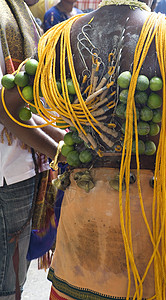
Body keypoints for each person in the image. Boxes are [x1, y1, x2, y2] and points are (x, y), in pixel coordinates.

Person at [1, 0, 166, 299]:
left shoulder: (61, 39)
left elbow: (9, 105)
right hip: (153, 215)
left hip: (83, 217)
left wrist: (61, 151)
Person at [0, 1, 67, 299]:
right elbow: (7, 109)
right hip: (8, 173)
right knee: (8, 284)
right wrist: (60, 151)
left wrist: (65, 138)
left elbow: (26, 107)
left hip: (22, 169)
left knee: (14, 278)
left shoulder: (19, 12)